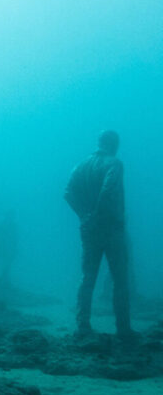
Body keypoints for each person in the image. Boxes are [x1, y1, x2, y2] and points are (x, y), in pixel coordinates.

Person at [64, 130, 134, 339]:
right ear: (115, 144)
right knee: (120, 278)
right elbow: (107, 191)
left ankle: (82, 325)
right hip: (111, 228)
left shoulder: (81, 165)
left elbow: (67, 193)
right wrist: (97, 216)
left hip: (88, 229)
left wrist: (84, 216)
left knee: (87, 277)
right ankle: (123, 328)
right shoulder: (114, 163)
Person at [0, 210, 18, 290]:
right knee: (5, 265)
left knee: (7, 265)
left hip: (9, 248)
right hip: (5, 248)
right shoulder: (2, 226)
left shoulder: (9, 225)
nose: (11, 217)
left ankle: (4, 280)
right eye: (10, 216)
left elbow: (14, 238)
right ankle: (4, 280)